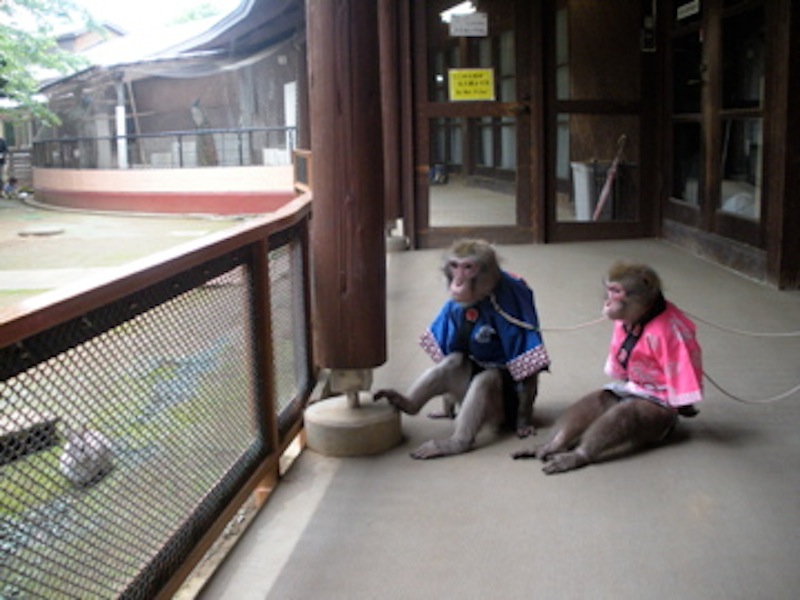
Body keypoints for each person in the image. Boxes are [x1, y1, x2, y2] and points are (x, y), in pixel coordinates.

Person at [513, 261, 702, 474]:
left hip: (661, 403)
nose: (608, 300)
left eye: (616, 292)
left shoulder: (670, 329)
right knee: (597, 399)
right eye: (608, 290)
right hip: (635, 387)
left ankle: (584, 453)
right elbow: (621, 356)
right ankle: (555, 442)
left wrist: (683, 404)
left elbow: (684, 371)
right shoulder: (628, 318)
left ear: (643, 294)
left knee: (626, 412)